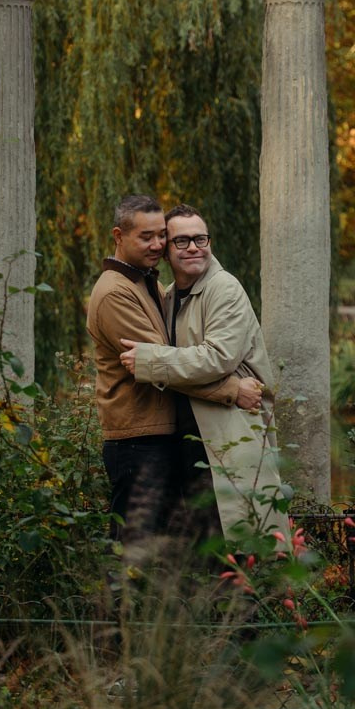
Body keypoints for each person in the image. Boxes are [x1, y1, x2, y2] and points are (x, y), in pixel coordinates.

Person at [86, 193, 263, 559]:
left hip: (170, 436)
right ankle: (125, 616)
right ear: (119, 236)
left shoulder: (171, 288)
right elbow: (161, 363)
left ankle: (215, 612)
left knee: (185, 546)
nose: (158, 244)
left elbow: (178, 360)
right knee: (136, 550)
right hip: (137, 439)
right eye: (152, 237)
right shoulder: (118, 292)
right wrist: (232, 390)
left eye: (161, 236)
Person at [119, 204, 285, 541]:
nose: (194, 247)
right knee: (200, 552)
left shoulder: (224, 288)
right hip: (189, 440)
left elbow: (216, 359)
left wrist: (151, 362)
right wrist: (230, 387)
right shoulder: (167, 298)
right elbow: (182, 375)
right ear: (166, 251)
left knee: (241, 544)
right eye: (181, 241)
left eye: (200, 238)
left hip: (229, 433)